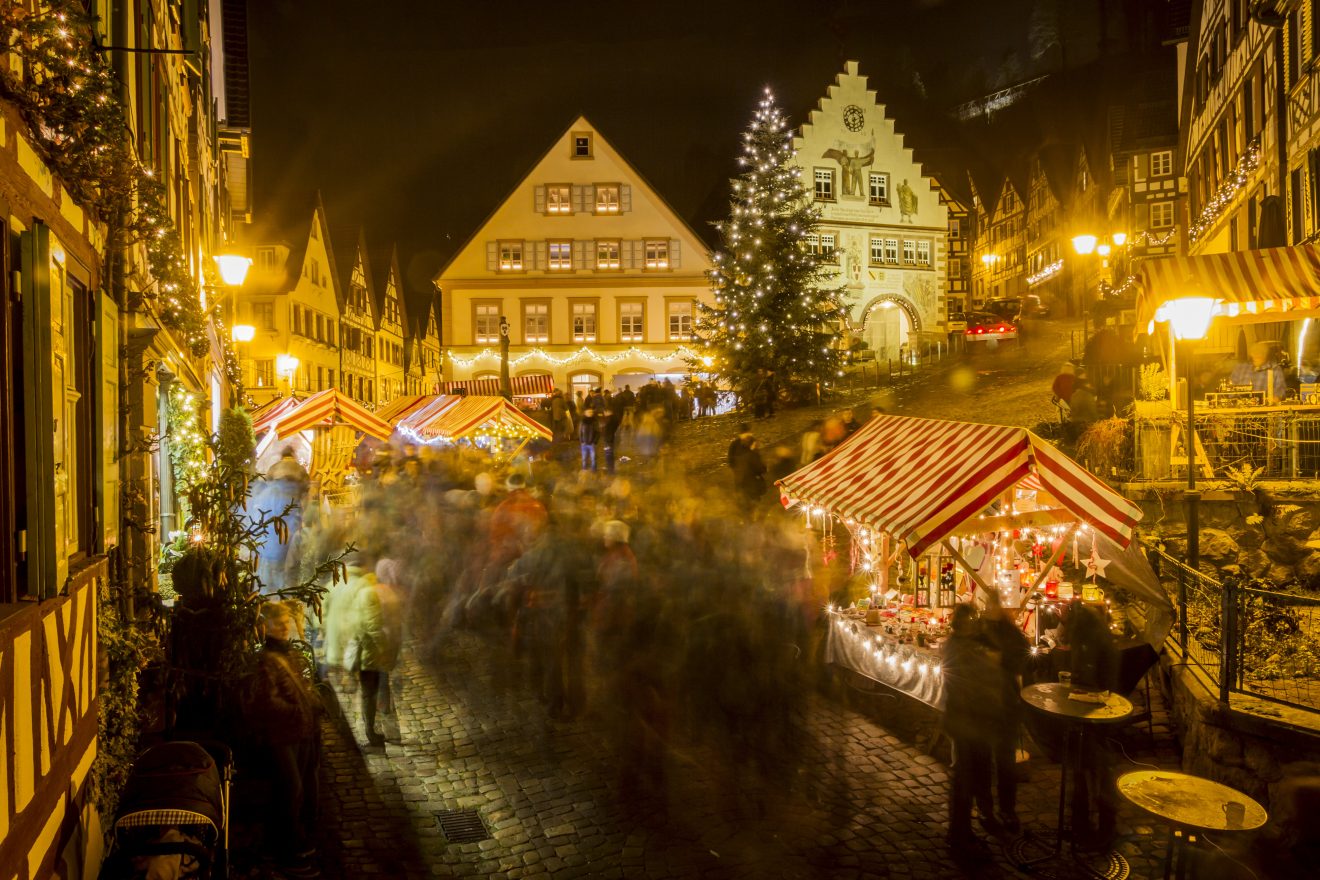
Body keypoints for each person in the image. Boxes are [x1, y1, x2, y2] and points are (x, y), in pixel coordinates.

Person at [246, 602, 323, 877]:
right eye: (280, 624)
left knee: (296, 790)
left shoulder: (284, 653)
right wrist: (295, 710)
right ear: (265, 627)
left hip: (297, 732)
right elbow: (266, 701)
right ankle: (285, 853)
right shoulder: (266, 659)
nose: (286, 628)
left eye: (287, 623)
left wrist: (310, 703)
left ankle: (293, 843)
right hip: (281, 736)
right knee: (289, 791)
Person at [942, 603, 1001, 853]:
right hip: (967, 720)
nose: (972, 625)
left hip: (977, 719)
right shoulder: (958, 649)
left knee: (981, 771)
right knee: (965, 778)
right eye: (968, 622)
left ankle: (983, 816)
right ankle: (960, 832)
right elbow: (965, 684)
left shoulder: (971, 645)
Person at [979, 591, 1031, 830]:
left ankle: (1003, 809)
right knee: (989, 760)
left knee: (1002, 760)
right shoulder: (981, 630)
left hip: (1003, 703)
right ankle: (991, 809)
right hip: (990, 702)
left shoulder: (1007, 633)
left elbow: (1023, 655)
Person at [351, 559, 406, 746]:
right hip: (373, 653)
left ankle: (379, 725)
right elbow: (374, 627)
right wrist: (386, 652)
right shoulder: (372, 595)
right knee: (371, 691)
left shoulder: (373, 593)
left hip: (376, 652)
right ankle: (372, 731)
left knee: (375, 689)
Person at [579, 407, 600, 472]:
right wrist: (581, 441)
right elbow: (580, 432)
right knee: (584, 458)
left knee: (593, 458)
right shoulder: (582, 421)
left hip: (592, 444)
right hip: (584, 443)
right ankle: (584, 470)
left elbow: (598, 432)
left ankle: (594, 470)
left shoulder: (595, 421)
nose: (590, 413)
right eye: (588, 412)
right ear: (585, 413)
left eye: (591, 412)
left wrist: (595, 442)